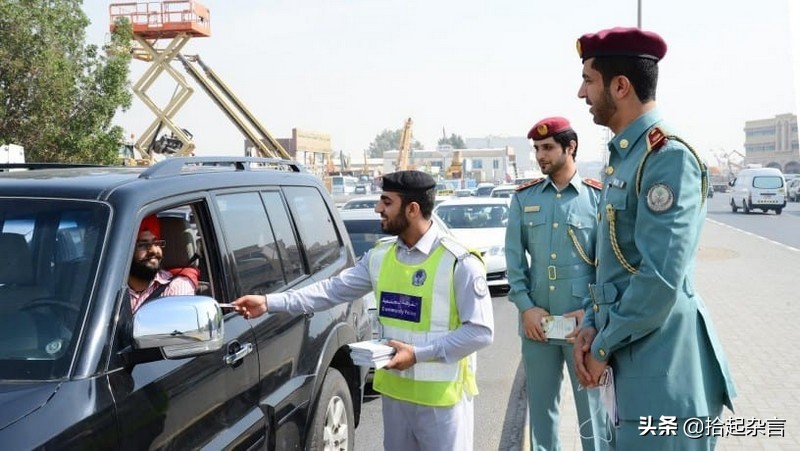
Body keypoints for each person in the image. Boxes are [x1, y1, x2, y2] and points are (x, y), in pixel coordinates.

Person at [233, 170, 494, 451]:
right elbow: (330, 291)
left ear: (413, 209)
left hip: (443, 403)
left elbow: (480, 332)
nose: (378, 208)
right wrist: (269, 302)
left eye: (386, 202)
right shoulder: (380, 257)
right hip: (396, 397)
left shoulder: (459, 262)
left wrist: (417, 354)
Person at [572, 27, 736, 449]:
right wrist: (591, 326)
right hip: (626, 358)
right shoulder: (623, 159)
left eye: (589, 80)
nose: (581, 93)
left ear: (620, 86)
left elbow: (660, 277)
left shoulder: (667, 157)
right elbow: (607, 263)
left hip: (661, 366)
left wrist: (602, 345)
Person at [505, 117, 610, 451]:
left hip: (584, 326)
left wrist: (591, 313)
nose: (540, 155)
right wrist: (525, 308)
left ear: (571, 148)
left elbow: (609, 266)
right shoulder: (525, 199)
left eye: (548, 147)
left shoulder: (597, 198)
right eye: (537, 148)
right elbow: (514, 261)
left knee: (591, 412)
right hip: (538, 325)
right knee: (542, 412)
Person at [128, 214, 196, 312]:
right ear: (128, 250)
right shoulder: (109, 287)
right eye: (143, 244)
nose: (153, 250)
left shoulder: (176, 287)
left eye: (157, 243)